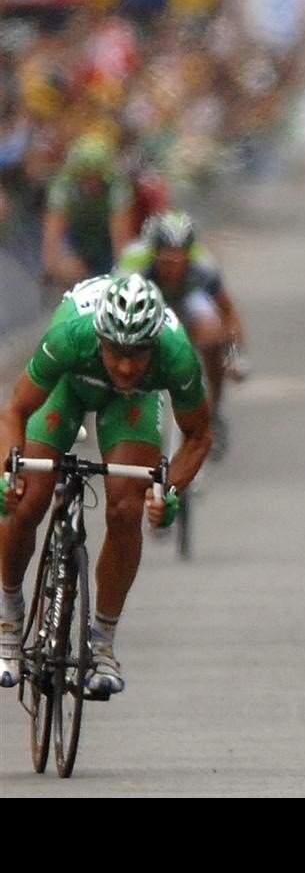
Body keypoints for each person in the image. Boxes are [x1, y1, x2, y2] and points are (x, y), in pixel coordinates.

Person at [1, 274, 210, 694]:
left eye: (138, 354)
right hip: (67, 386)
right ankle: (9, 620)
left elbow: (199, 436)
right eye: (116, 352)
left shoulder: (177, 356)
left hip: (130, 404)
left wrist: (169, 492)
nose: (127, 366)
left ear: (155, 344)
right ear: (100, 337)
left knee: (126, 507)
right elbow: (15, 412)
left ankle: (103, 645)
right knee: (28, 498)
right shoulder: (69, 338)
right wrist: (8, 471)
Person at [113, 211, 246, 452]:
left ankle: (213, 411)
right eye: (166, 257)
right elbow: (115, 315)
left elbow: (228, 313)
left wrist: (234, 356)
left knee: (211, 334)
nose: (173, 264)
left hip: (187, 302)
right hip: (144, 303)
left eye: (180, 256)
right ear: (153, 252)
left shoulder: (203, 265)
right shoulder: (132, 266)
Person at [40, 133, 136, 294]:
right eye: (85, 177)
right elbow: (53, 230)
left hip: (105, 240)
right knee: (69, 271)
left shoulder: (118, 186)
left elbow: (120, 232)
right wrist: (50, 267)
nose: (90, 182)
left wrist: (124, 273)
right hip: (78, 239)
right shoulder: (63, 186)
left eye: (95, 177)